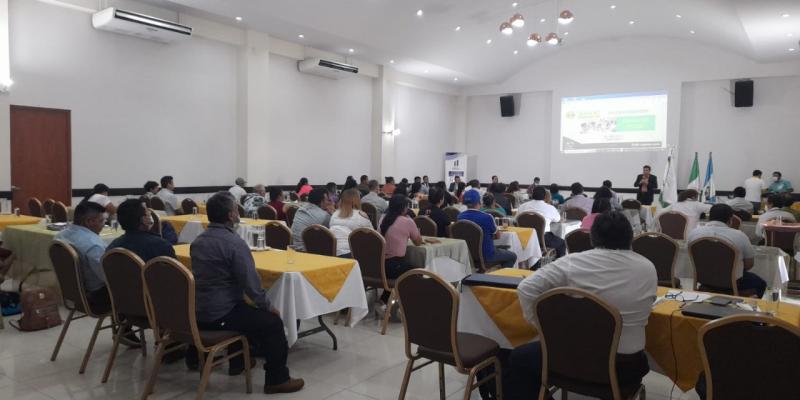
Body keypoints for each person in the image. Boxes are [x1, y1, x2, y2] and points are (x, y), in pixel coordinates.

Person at [508, 211, 656, 400]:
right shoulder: (648, 267)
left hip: (570, 359)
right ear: (630, 237)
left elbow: (526, 288)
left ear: (592, 237)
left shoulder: (572, 263)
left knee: (518, 358)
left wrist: (543, 329)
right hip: (625, 367)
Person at [190, 192, 304, 393]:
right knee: (272, 323)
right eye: (235, 210)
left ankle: (238, 362)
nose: (237, 213)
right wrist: (269, 307)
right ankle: (277, 379)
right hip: (220, 313)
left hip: (197, 309)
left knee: (243, 308)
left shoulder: (198, 241)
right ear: (230, 215)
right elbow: (251, 285)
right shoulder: (234, 243)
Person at [687, 204, 765, 297]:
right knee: (761, 283)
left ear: (709, 217)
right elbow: (749, 265)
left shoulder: (694, 233)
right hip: (732, 283)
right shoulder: (739, 236)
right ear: (730, 219)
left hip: (704, 280)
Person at [54, 202, 112, 312]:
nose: (104, 224)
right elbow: (108, 278)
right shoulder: (93, 245)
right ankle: (126, 325)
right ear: (89, 222)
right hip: (96, 297)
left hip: (74, 294)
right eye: (102, 221)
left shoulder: (60, 236)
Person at [379, 195, 423, 304]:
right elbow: (418, 242)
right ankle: (409, 303)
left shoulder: (383, 219)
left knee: (404, 265)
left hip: (379, 266)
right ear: (404, 208)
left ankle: (385, 299)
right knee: (419, 271)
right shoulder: (407, 221)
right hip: (394, 266)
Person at [458, 191, 517, 268]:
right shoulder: (487, 217)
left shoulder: (459, 217)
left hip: (467, 256)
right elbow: (497, 236)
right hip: (487, 256)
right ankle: (500, 278)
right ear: (479, 201)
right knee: (512, 256)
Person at [107, 199, 176, 262]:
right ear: (144, 220)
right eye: (147, 211)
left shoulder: (113, 247)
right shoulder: (161, 245)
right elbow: (174, 273)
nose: (150, 212)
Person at [516, 186, 567, 258]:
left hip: (525, 238)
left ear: (532, 194)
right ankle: (556, 264)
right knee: (562, 243)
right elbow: (558, 219)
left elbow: (516, 219)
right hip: (543, 238)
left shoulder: (522, 206)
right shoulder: (550, 208)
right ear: (545, 196)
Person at [330, 189, 373, 257]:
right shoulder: (361, 215)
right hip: (351, 253)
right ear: (358, 200)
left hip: (330, 252)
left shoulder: (334, 214)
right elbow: (373, 236)